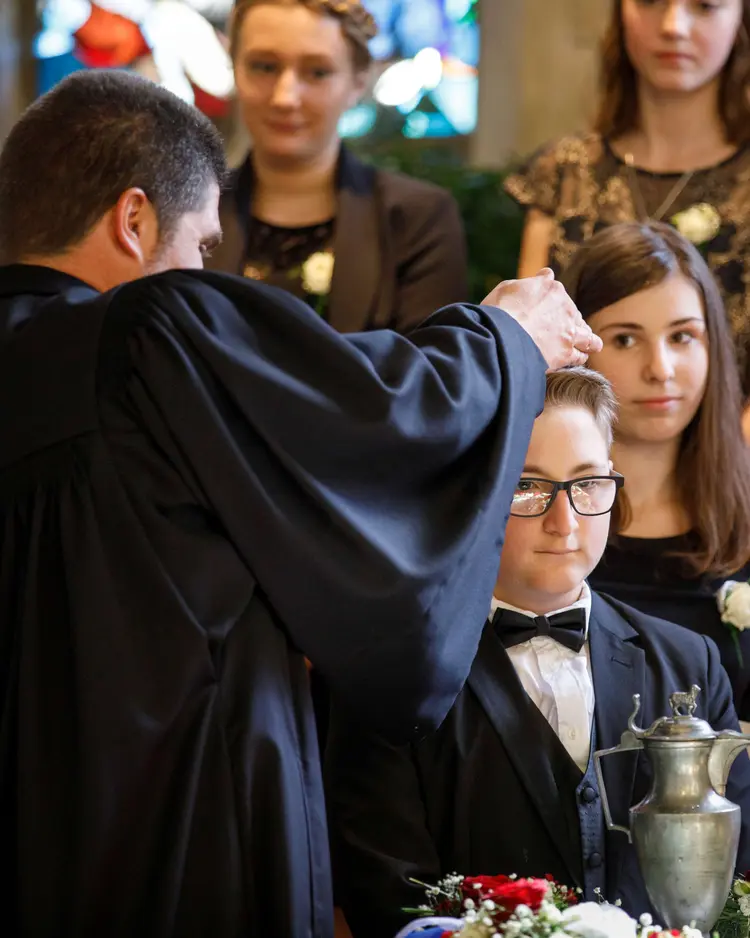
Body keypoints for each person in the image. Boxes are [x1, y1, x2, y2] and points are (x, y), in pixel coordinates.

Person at [0, 70, 597, 938]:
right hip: (173, 831)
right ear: (134, 220)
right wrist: (507, 339)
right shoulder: (143, 332)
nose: (201, 271)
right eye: (202, 245)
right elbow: (376, 415)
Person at [325, 367, 750, 938]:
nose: (564, 521)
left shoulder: (689, 662)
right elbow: (389, 897)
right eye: (527, 485)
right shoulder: (395, 674)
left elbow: (736, 882)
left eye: (588, 483)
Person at [504, 0, 750, 395]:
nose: (673, 26)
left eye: (705, 5)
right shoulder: (566, 171)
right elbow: (528, 355)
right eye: (650, 1)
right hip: (576, 430)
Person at [561, 222, 750, 721]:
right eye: (625, 339)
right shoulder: (540, 517)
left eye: (682, 336)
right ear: (577, 347)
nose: (661, 369)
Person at [206, 0, 468, 331]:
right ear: (235, 68)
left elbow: (429, 361)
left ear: (357, 83)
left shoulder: (417, 219)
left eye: (317, 72)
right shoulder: (187, 212)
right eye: (264, 67)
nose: (285, 97)